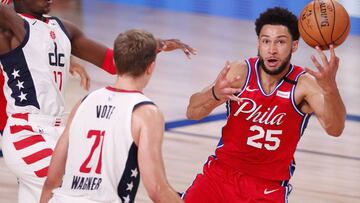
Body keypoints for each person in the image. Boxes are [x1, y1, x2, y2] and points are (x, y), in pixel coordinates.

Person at [0, 1, 195, 202]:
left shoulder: (64, 28)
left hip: (57, 131)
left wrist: (154, 45)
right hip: (26, 133)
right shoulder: (9, 26)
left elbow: (114, 62)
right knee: (74, 187)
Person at [183, 7, 345, 203]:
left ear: (294, 46)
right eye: (266, 41)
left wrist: (330, 89)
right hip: (220, 176)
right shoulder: (240, 72)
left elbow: (335, 128)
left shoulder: (304, 85)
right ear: (258, 43)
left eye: (280, 42)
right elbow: (192, 112)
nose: (272, 49)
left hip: (268, 187)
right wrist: (215, 93)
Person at [40, 29, 183, 203]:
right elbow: (157, 190)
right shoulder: (146, 113)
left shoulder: (82, 103)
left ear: (115, 61)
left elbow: (52, 180)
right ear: (151, 67)